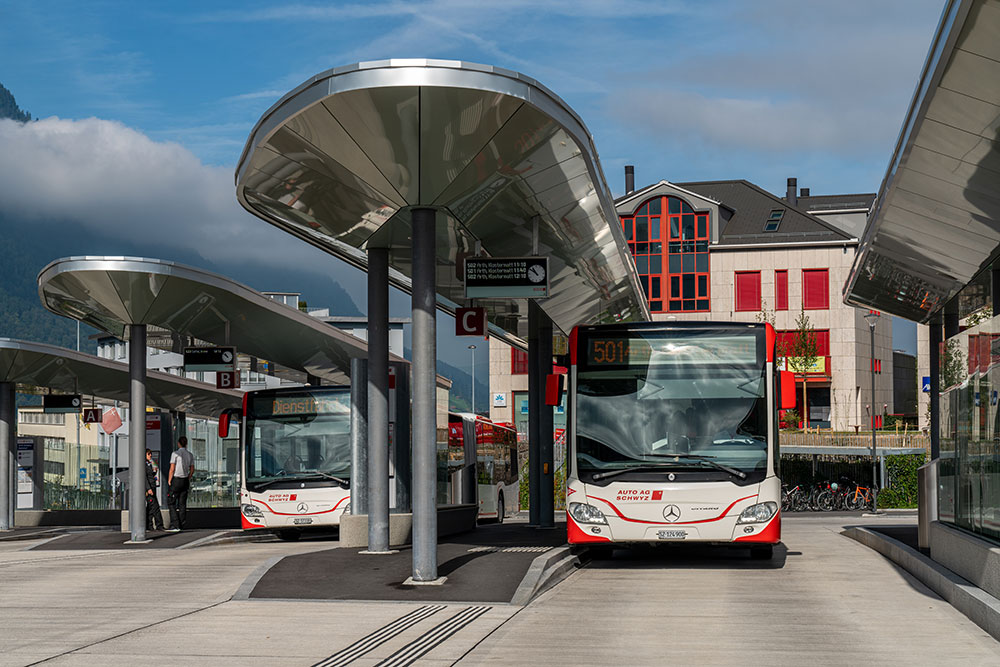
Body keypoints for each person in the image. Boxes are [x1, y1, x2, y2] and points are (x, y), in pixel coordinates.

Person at [167, 436, 194, 532]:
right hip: (185, 480)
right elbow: (192, 469)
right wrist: (188, 477)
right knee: (182, 503)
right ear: (186, 444)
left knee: (171, 502)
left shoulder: (175, 454)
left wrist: (169, 480)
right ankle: (182, 523)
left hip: (176, 480)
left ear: (178, 443)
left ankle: (175, 524)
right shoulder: (190, 455)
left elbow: (172, 468)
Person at [144, 449, 164, 531]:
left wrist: (154, 473)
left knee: (151, 507)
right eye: (148, 454)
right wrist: (148, 489)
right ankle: (158, 525)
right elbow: (144, 478)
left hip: (152, 487)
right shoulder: (143, 465)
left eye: (150, 454)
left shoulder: (148, 464)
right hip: (150, 488)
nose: (150, 455)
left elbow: (149, 475)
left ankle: (149, 525)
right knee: (154, 506)